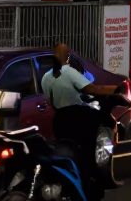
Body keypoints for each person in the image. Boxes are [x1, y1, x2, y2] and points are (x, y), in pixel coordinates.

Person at [41, 43, 122, 200]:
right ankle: (87, 188)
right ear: (68, 57)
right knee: (86, 154)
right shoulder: (69, 72)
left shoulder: (46, 77)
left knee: (66, 153)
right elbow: (91, 89)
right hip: (78, 117)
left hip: (59, 119)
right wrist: (116, 90)